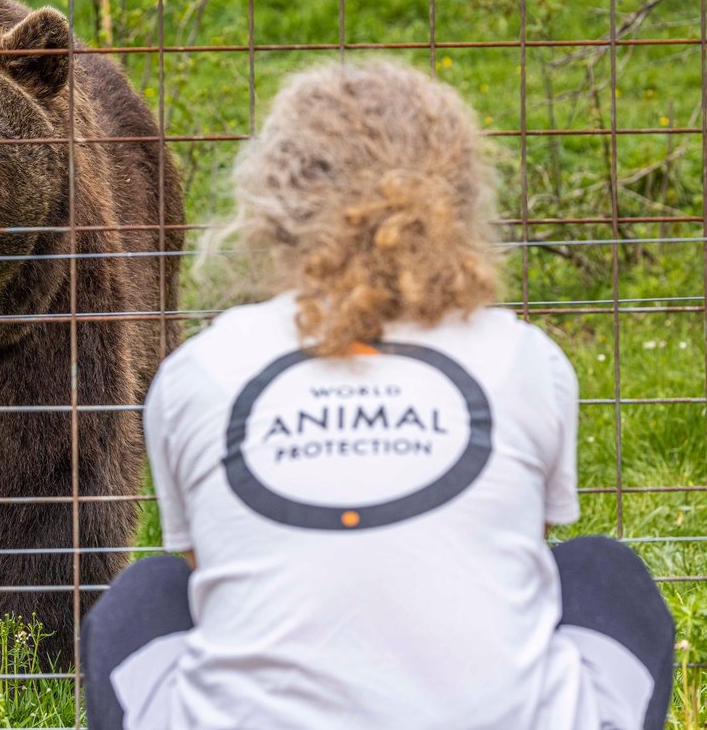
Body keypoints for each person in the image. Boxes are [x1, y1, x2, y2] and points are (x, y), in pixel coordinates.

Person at [81, 61, 675, 730]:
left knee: (148, 594)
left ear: (274, 201)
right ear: (460, 193)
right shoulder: (526, 358)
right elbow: (519, 554)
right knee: (600, 568)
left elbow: (208, 572)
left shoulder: (200, 369)